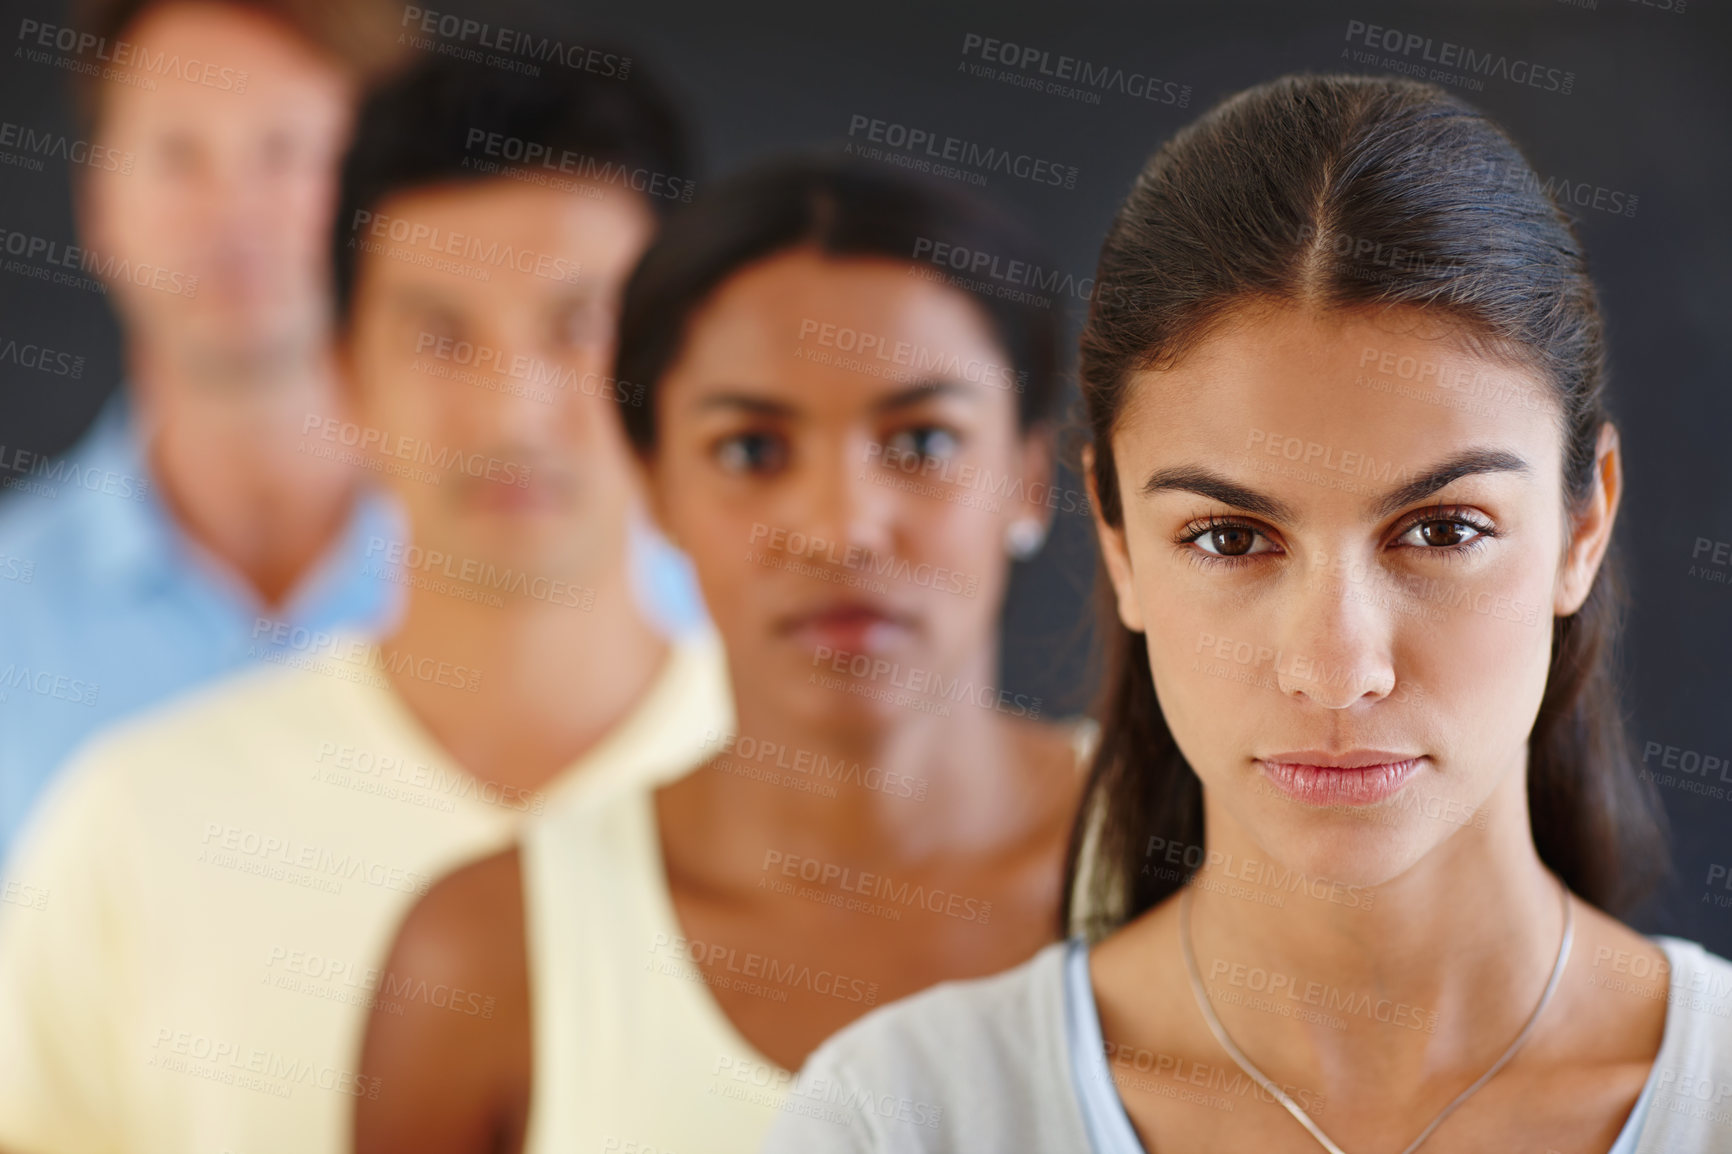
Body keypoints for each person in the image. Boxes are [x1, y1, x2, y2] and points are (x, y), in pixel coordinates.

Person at [761, 74, 1732, 1153]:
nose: (1334, 667)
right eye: (1230, 538)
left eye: (1442, 529)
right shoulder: (904, 1116)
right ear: (1118, 537)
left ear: (1584, 521)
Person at [0, 50, 728, 1154]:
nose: (512, 411)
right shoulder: (134, 822)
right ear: (343, 373)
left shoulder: (837, 794)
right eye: (441, 335)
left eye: (578, 326)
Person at [353, 155, 1096, 1154]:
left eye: (921, 442)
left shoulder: (1214, 868)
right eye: (751, 449)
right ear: (654, 485)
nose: (840, 530)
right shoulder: (487, 954)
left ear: (1025, 478)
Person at [0, 0, 402, 867]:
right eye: (179, 155)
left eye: (287, 153)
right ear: (99, 201)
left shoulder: (590, 588)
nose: (234, 214)